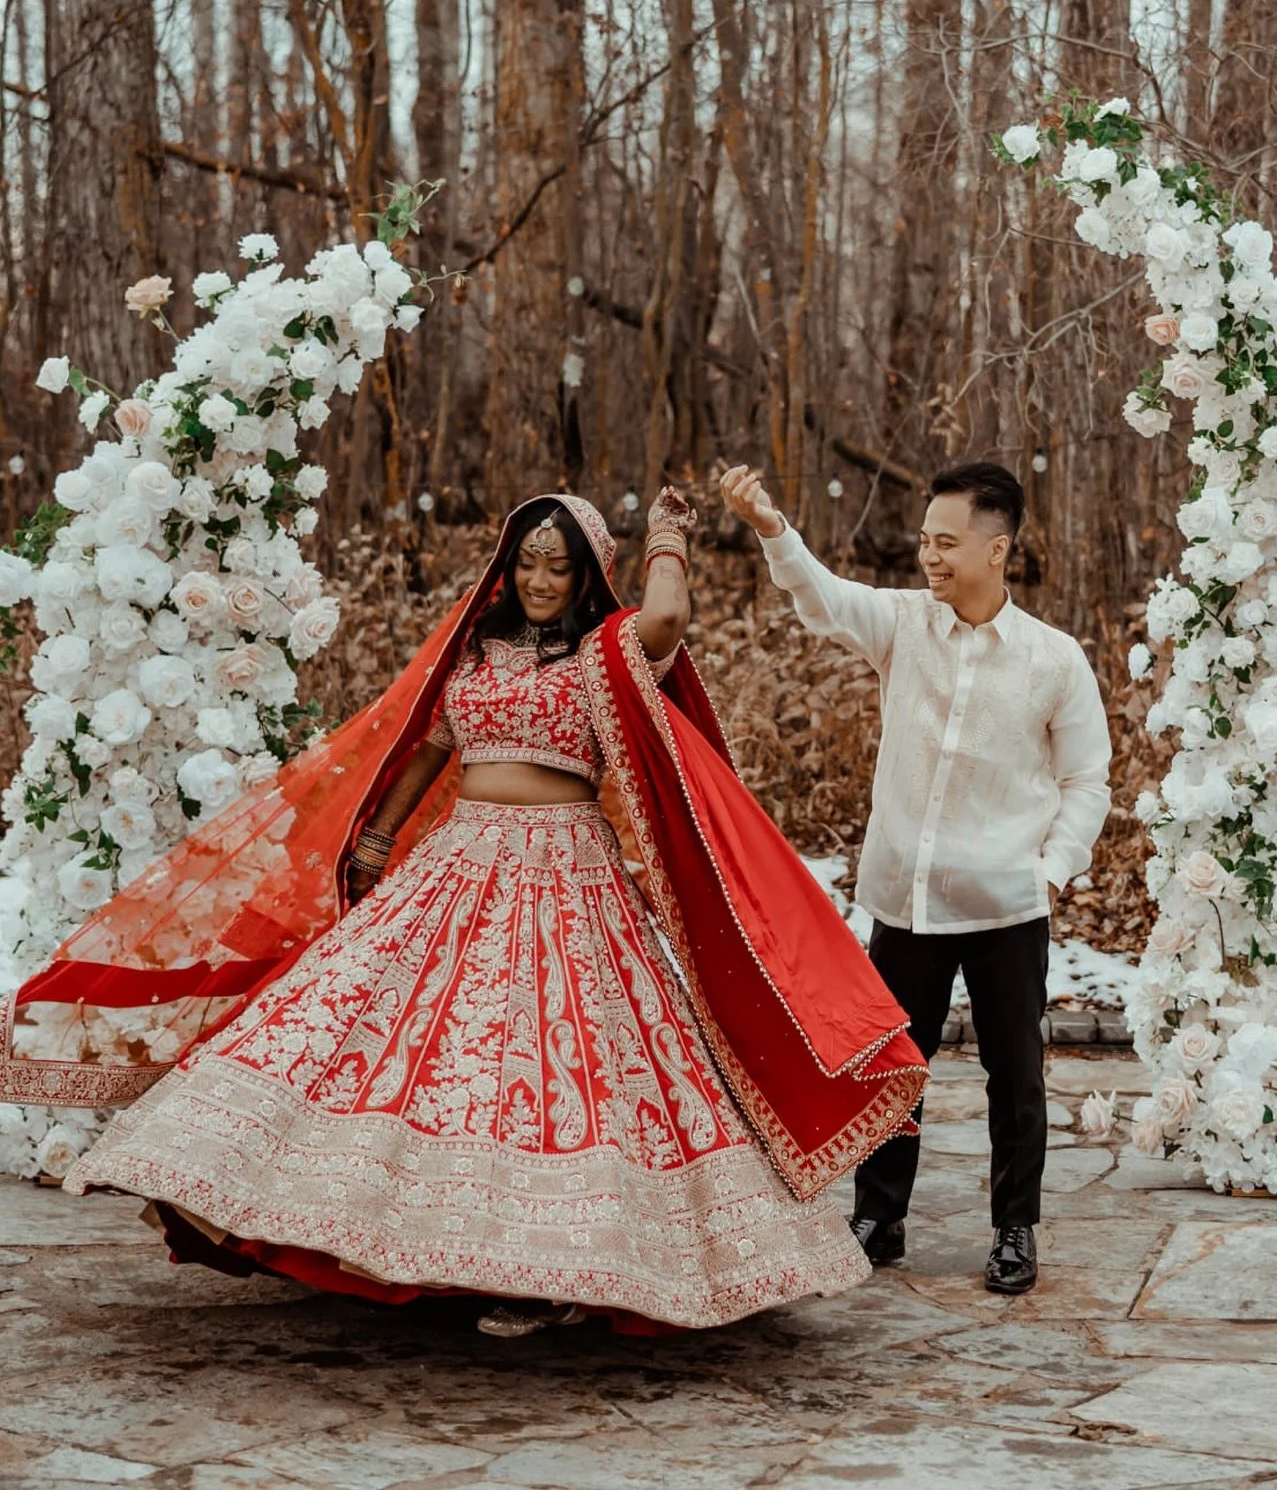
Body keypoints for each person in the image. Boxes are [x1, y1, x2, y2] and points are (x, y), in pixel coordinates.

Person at [1, 492, 927, 1335]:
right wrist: (376, 839)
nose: (535, 578)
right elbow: (425, 752)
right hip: (455, 866)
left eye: (556, 564)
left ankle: (550, 1273)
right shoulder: (476, 655)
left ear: (587, 574)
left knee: (553, 1070)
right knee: (354, 1031)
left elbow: (672, 616)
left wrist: (671, 539)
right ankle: (231, 1184)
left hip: (568, 879)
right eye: (524, 559)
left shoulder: (610, 655)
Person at [720, 461, 1111, 1295]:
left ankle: (1015, 1229)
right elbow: (822, 598)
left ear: (997, 548)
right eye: (924, 540)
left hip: (1008, 904)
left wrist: (1051, 873)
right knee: (896, 1064)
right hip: (906, 899)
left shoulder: (1054, 660)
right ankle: (880, 1215)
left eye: (945, 542)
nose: (927, 557)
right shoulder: (902, 626)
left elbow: (1087, 780)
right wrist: (769, 525)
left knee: (1016, 1076)